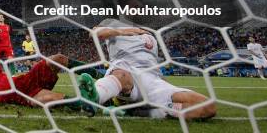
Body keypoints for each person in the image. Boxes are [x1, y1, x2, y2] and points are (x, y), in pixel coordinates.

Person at [78, 19, 216, 120]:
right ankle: (95, 98)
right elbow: (95, 33)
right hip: (126, 71)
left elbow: (152, 63)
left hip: (153, 81)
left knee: (208, 107)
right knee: (122, 74)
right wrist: (123, 31)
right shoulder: (112, 22)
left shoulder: (150, 35)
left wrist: (164, 84)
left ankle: (145, 112)